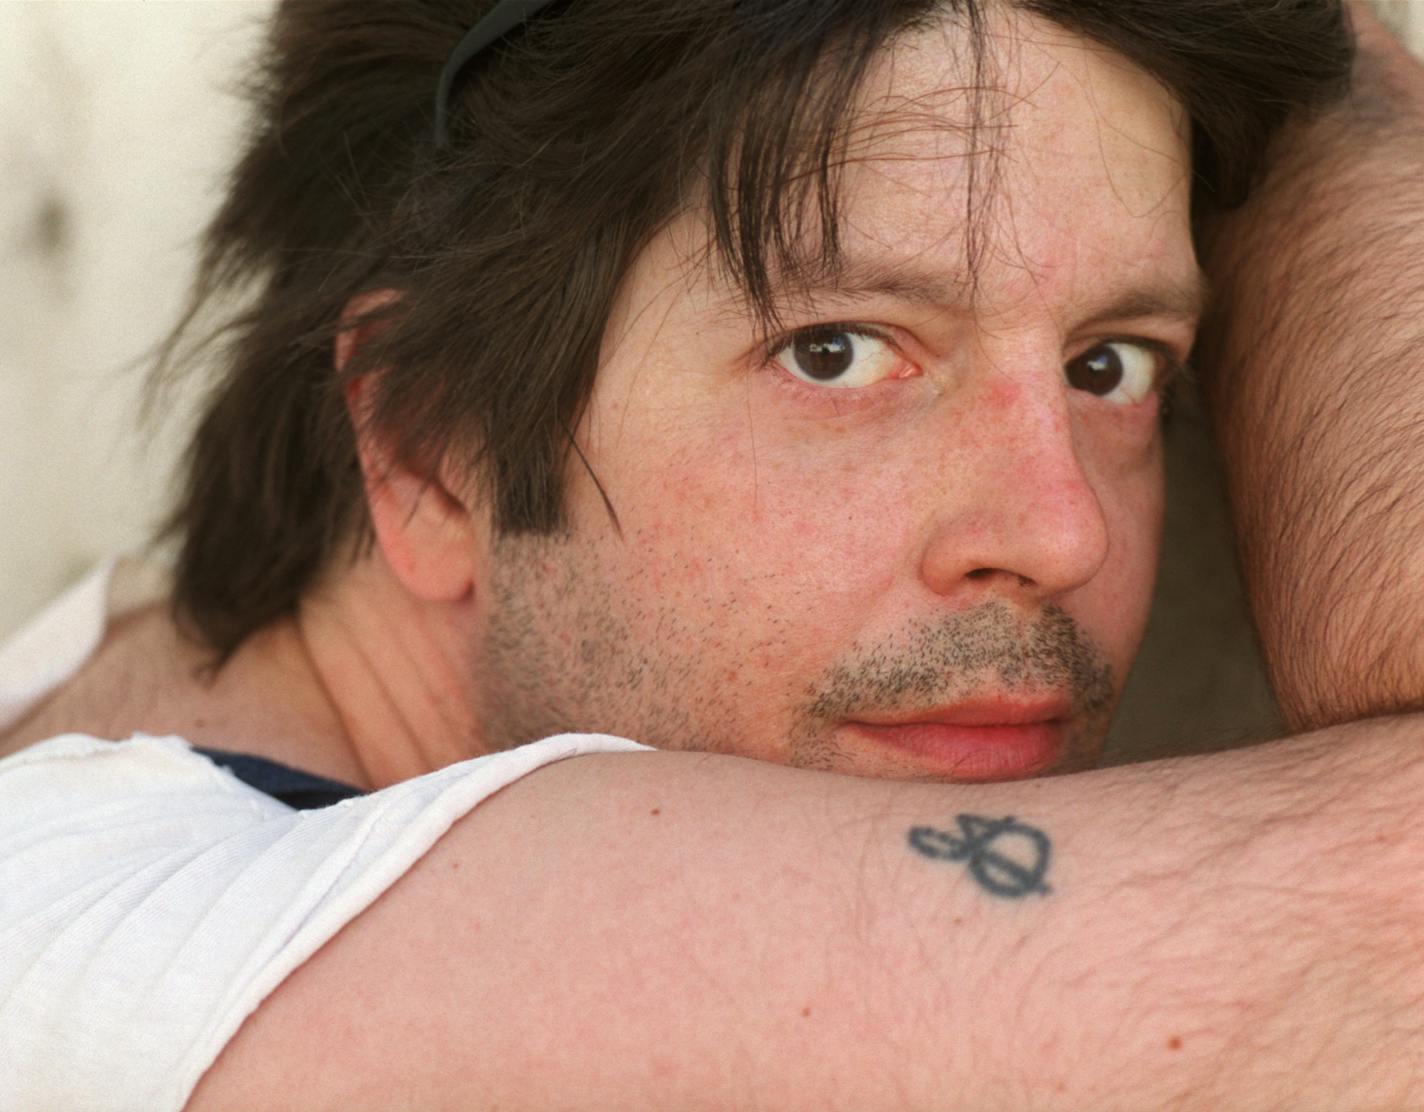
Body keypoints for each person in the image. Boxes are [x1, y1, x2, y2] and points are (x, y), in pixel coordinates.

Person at [2, 0, 1421, 1107]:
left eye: (1111, 364)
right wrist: (1337, 79)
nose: (1061, 533)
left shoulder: (153, 699)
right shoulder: (118, 962)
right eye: (838, 349)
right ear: (429, 449)